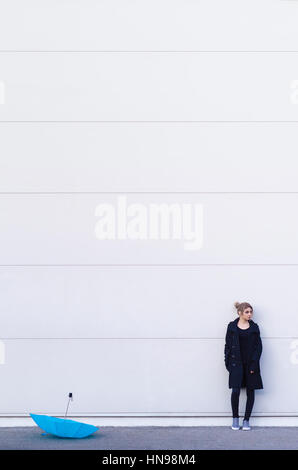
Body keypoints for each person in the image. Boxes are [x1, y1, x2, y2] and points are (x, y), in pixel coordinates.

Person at [224, 301, 263, 430]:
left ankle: (246, 420)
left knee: (250, 391)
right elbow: (227, 346)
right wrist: (228, 364)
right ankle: (235, 419)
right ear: (240, 313)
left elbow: (259, 347)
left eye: (251, 312)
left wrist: (254, 364)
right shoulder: (231, 327)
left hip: (251, 364)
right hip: (236, 364)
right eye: (247, 312)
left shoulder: (254, 327)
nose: (250, 314)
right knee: (235, 391)